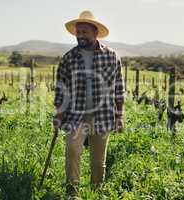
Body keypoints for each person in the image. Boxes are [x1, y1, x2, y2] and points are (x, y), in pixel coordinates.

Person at [53, 10, 125, 196]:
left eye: (85, 32)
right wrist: (59, 114)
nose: (81, 36)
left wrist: (120, 116)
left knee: (98, 160)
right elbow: (61, 89)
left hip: (103, 114)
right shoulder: (69, 58)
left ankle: (96, 191)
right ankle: (72, 191)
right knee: (72, 151)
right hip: (75, 115)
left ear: (95, 33)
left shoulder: (111, 56)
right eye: (79, 32)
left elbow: (119, 88)